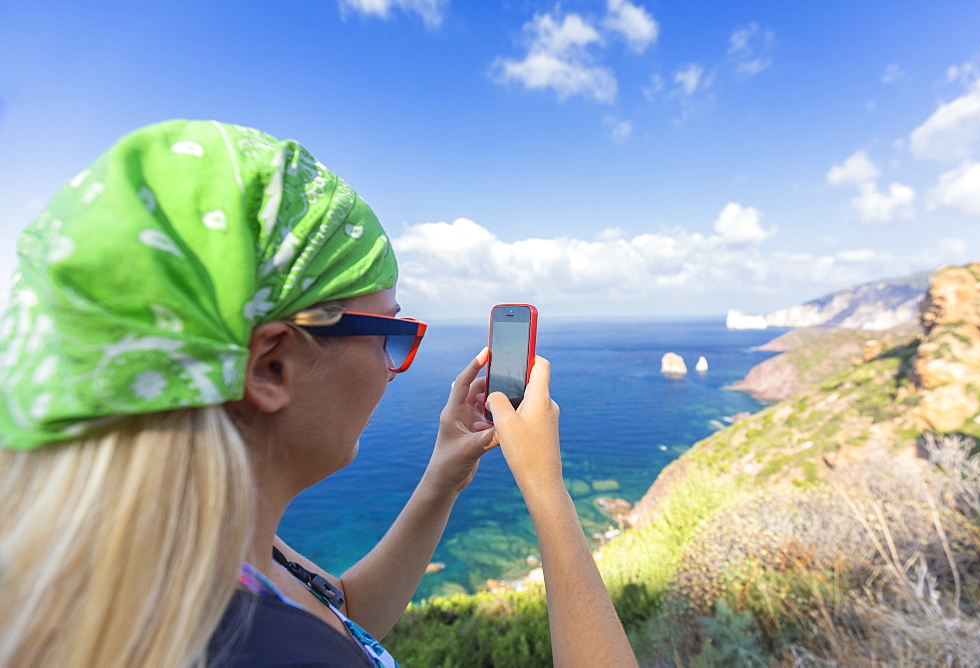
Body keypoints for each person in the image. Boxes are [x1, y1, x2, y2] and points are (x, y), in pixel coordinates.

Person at [0, 119, 637, 667]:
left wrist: (445, 473)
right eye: (390, 332)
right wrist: (547, 492)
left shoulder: (188, 545)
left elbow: (344, 613)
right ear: (271, 366)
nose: (395, 367)